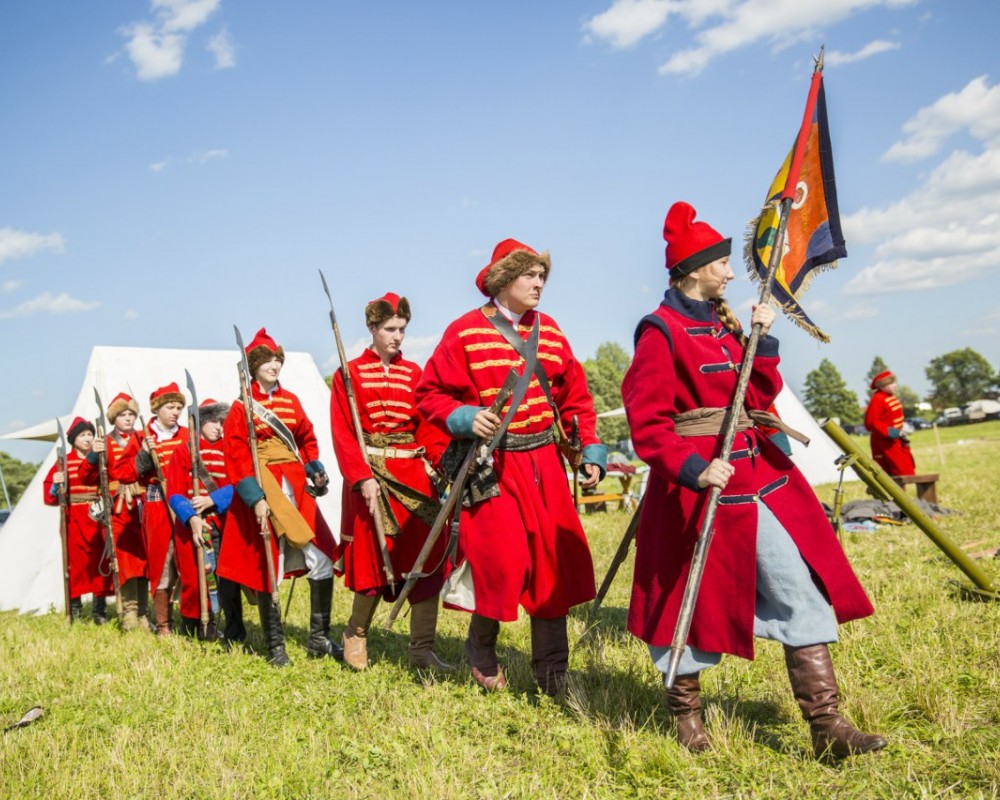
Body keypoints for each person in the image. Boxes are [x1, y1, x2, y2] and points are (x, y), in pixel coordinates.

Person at [622, 201, 886, 759]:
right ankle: (687, 717)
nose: (730, 272)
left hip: (759, 478)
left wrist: (761, 341)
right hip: (698, 491)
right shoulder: (660, 332)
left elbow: (758, 396)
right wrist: (694, 469)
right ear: (694, 268)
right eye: (721, 262)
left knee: (798, 587)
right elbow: (647, 425)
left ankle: (826, 726)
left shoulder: (726, 324)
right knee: (685, 605)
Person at [416, 238, 607, 696]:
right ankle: (481, 648)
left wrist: (590, 449)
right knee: (502, 559)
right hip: (493, 463)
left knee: (551, 563)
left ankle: (552, 673)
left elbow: (575, 398)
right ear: (504, 280)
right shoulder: (465, 331)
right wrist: (464, 417)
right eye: (530, 275)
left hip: (544, 460)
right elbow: (429, 394)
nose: (539, 283)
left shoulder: (551, 331)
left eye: (543, 275)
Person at [330, 293, 451, 671]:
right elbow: (343, 433)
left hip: (413, 477)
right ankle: (355, 634)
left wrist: (441, 465)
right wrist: (360, 476)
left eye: (402, 329)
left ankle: (422, 649)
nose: (397, 336)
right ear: (372, 328)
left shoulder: (415, 373)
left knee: (426, 557)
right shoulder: (348, 374)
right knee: (371, 560)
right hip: (370, 477)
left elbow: (428, 427)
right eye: (389, 329)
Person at [217, 327, 341, 666]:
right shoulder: (242, 407)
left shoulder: (291, 400)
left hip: (296, 486)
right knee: (268, 564)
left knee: (322, 556)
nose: (274, 365)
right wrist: (254, 497)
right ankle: (275, 646)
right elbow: (236, 455)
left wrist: (314, 467)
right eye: (267, 361)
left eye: (277, 360)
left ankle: (318, 638)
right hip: (263, 488)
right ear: (254, 366)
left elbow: (306, 437)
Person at [167, 398, 241, 643]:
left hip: (222, 522)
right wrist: (191, 518)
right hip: (191, 525)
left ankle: (226, 627)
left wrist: (212, 500)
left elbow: (237, 484)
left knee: (225, 577)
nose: (219, 427)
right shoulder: (184, 451)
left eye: (222, 422)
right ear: (201, 423)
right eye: (213, 421)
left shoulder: (230, 450)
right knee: (193, 576)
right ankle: (193, 625)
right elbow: (174, 492)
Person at [79, 392, 149, 631]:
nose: (128, 418)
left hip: (141, 506)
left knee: (145, 561)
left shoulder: (143, 438)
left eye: (131, 414)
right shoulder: (105, 442)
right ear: (113, 418)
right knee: (124, 561)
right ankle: (129, 613)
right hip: (117, 511)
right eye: (122, 414)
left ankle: (143, 613)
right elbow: (85, 477)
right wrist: (92, 455)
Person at [42, 417, 113, 623]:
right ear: (74, 439)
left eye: (90, 434)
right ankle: (75, 612)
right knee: (76, 566)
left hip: (97, 518)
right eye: (83, 435)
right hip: (74, 521)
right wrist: (55, 485)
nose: (88, 438)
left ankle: (99, 612)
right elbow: (50, 497)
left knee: (100, 563)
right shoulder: (64, 463)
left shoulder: (100, 460)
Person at [135, 382, 188, 636]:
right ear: (157, 409)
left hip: (184, 504)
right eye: (170, 407)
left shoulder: (187, 435)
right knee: (162, 563)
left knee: (188, 560)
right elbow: (128, 473)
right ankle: (164, 624)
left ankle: (193, 620)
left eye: (178, 407)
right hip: (157, 506)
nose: (175, 412)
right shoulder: (142, 436)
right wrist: (145, 454)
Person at [865, 370, 916, 478]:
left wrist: (902, 429)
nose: (895, 386)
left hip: (895, 440)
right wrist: (894, 432)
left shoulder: (889, 396)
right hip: (884, 442)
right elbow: (872, 422)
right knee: (896, 471)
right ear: (883, 385)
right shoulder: (878, 398)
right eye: (892, 383)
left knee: (904, 470)